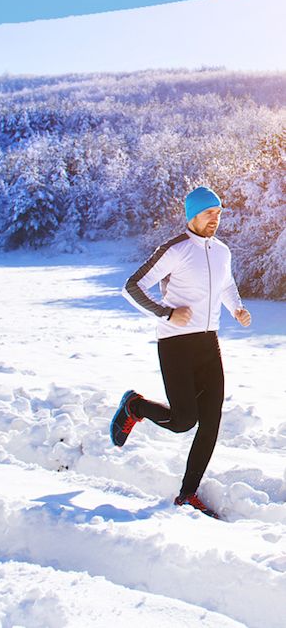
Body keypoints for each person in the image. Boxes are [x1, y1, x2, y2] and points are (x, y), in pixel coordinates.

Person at [111, 186, 251, 516]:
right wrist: (166, 313)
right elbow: (132, 287)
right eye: (208, 213)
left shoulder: (222, 251)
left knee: (212, 419)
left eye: (218, 213)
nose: (215, 219)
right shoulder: (174, 249)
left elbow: (226, 284)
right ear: (192, 215)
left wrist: (237, 308)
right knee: (183, 420)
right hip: (175, 343)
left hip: (208, 342)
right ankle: (135, 406)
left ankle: (187, 494)